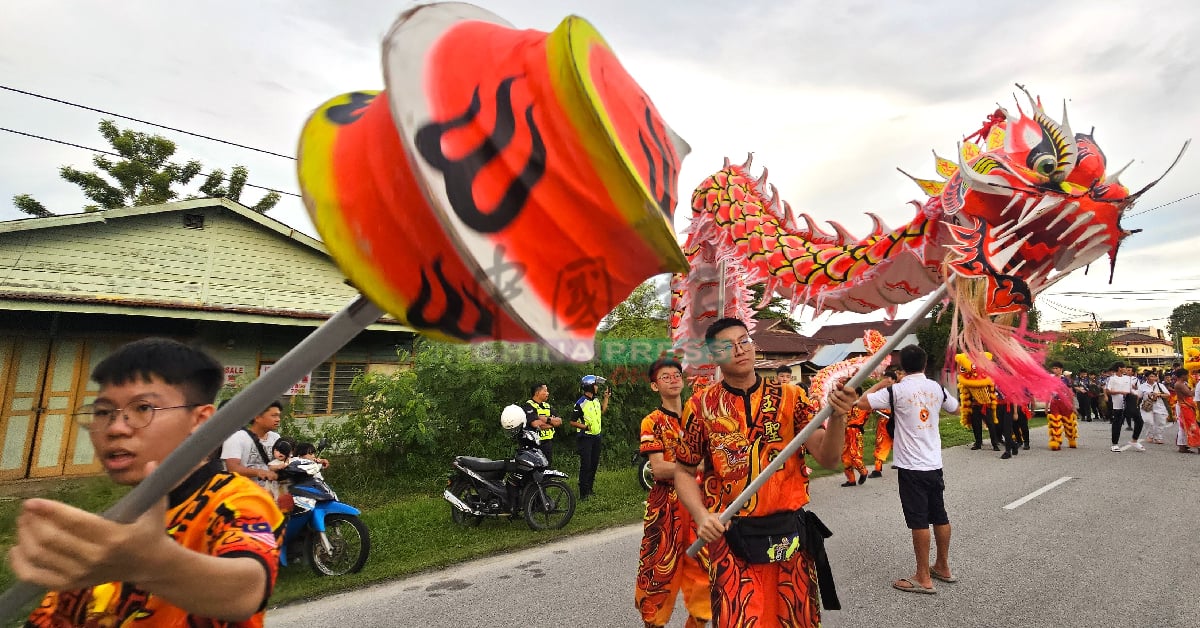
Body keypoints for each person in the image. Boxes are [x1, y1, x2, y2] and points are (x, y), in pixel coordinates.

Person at [11, 337, 283, 626]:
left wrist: (153, 564)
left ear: (201, 420)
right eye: (103, 412)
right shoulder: (116, 529)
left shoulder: (236, 500)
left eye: (142, 408)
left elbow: (245, 591)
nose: (115, 428)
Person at [674, 317, 852, 627]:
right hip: (732, 540)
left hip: (789, 540)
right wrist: (702, 516)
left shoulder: (791, 398)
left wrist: (838, 418)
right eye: (728, 346)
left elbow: (829, 457)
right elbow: (684, 472)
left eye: (744, 341)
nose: (740, 350)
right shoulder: (701, 406)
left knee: (793, 621)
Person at [856, 344, 960, 595]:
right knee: (939, 515)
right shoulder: (936, 387)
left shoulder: (896, 391)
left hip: (911, 467)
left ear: (902, 365)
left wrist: (881, 383)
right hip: (934, 462)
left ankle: (923, 577)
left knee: (919, 520)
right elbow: (954, 408)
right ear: (924, 364)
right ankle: (943, 566)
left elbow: (861, 402)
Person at [635, 357, 711, 628]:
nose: (672, 379)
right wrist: (698, 464)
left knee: (704, 573)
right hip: (666, 507)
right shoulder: (651, 422)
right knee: (658, 574)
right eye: (664, 376)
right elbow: (658, 469)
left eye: (676, 374)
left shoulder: (700, 417)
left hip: (701, 504)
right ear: (654, 386)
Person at [222, 399, 284, 494]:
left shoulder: (276, 437)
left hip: (271, 495)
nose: (278, 419)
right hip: (245, 496)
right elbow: (232, 468)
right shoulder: (236, 438)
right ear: (257, 417)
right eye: (273, 415)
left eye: (278, 415)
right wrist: (258, 472)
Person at [570, 375, 609, 500]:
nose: (597, 387)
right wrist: (585, 427)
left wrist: (606, 398)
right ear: (589, 387)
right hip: (585, 438)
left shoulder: (596, 400)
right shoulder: (580, 403)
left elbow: (602, 411)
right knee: (585, 465)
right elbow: (572, 421)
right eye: (595, 385)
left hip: (596, 437)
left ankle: (590, 489)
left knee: (594, 464)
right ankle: (583, 493)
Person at [869, 368, 900, 477]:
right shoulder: (881, 392)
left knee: (894, 443)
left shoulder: (897, 391)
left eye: (888, 378)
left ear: (894, 380)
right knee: (885, 443)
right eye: (884, 378)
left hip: (893, 421)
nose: (885, 380)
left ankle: (880, 469)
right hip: (886, 421)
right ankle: (880, 468)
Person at [1104, 363, 1142, 452]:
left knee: (1139, 421)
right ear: (1119, 368)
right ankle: (1114, 444)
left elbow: (1130, 389)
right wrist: (1120, 392)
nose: (1126, 369)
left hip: (1129, 403)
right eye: (1124, 368)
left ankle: (1134, 440)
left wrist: (1137, 394)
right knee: (1117, 424)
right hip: (1118, 405)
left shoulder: (1127, 378)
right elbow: (1108, 391)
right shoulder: (1112, 378)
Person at [523, 383, 562, 465]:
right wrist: (552, 422)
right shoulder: (528, 406)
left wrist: (544, 419)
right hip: (534, 445)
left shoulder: (547, 406)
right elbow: (536, 424)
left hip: (547, 443)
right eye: (545, 391)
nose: (548, 393)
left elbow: (559, 421)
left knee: (547, 467)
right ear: (537, 393)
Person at [841, 388, 870, 486]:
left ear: (857, 394)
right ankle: (851, 480)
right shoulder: (848, 406)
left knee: (855, 455)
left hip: (856, 431)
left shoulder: (864, 405)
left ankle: (863, 471)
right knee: (845, 456)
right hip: (846, 432)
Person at [1046, 362, 1079, 450]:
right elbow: (1048, 393)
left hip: (1065, 403)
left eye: (1057, 368)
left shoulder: (1066, 380)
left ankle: (1071, 440)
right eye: (1054, 368)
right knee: (1055, 422)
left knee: (1069, 422)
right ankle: (1056, 442)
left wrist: (1073, 406)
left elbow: (1070, 393)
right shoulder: (1051, 379)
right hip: (1054, 403)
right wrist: (1046, 406)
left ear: (1061, 369)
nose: (1055, 370)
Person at [1172, 368, 1199, 453]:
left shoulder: (1182, 383)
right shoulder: (1179, 384)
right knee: (1188, 426)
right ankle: (1182, 446)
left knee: (1184, 427)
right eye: (1187, 375)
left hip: (1185, 406)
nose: (1188, 376)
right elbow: (1190, 394)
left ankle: (1183, 445)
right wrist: (1197, 386)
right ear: (1183, 376)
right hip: (1183, 407)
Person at [1138, 372, 1170, 444]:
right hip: (1147, 406)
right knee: (1148, 421)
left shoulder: (1160, 385)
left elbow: (1168, 395)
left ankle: (1158, 437)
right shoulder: (1142, 386)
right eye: (1151, 376)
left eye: (1154, 376)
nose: (1153, 378)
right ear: (1147, 377)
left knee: (1160, 422)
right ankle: (1150, 435)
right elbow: (1139, 396)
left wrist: (1158, 394)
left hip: (1159, 406)